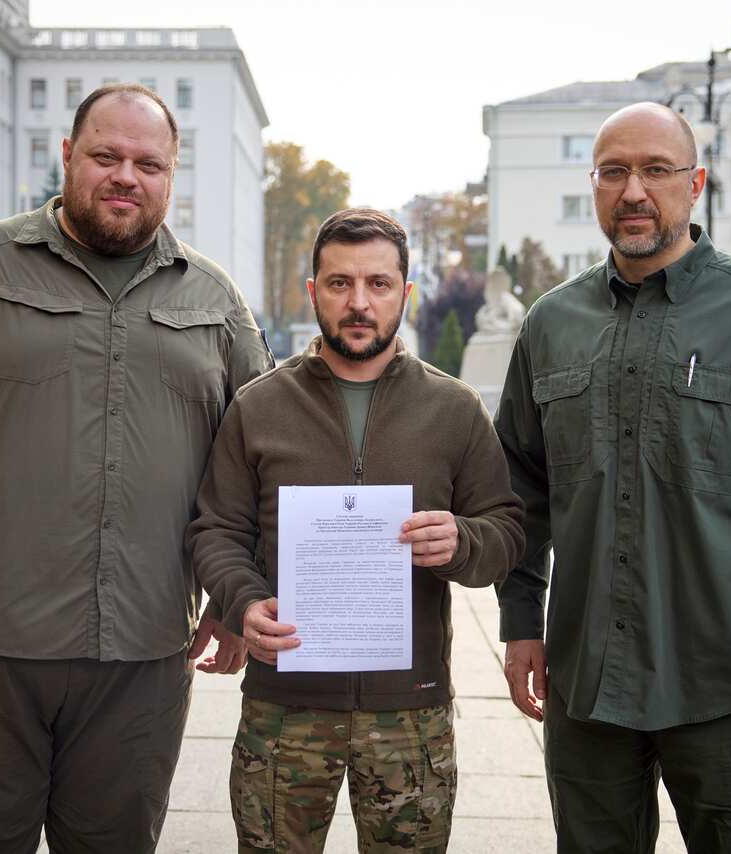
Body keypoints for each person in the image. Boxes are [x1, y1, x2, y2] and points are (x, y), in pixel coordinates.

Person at [0, 83, 272, 853]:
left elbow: (259, 457)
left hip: (144, 655)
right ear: (68, 155)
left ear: (171, 175)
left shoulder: (215, 302)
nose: (126, 176)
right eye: (107, 156)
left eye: (148, 163)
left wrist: (236, 590)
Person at [493, 102, 731, 853]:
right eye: (614, 172)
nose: (635, 190)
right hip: (587, 687)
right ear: (594, 185)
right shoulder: (549, 324)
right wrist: (520, 622)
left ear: (694, 184)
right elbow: (519, 490)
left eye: (656, 170)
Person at [187, 208, 525, 853]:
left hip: (410, 712)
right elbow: (216, 529)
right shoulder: (259, 406)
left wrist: (462, 541)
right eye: (340, 284)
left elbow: (505, 530)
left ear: (406, 292)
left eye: (378, 284)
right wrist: (243, 600)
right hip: (284, 710)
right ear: (313, 291)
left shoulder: (453, 409)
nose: (359, 302)